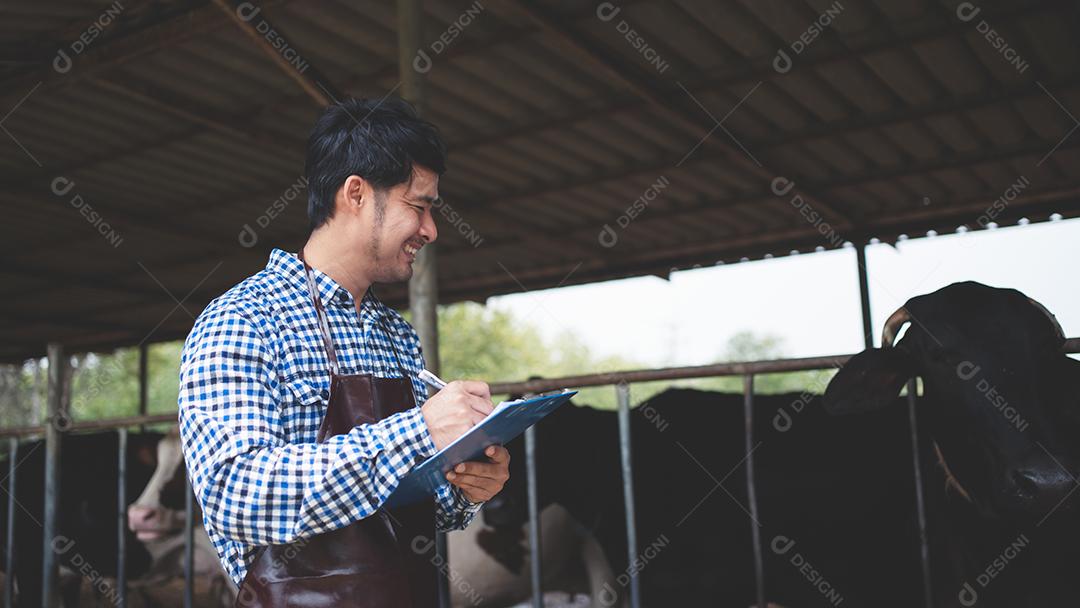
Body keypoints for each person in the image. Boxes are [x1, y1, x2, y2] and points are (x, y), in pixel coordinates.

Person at [178, 97, 509, 607]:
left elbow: (400, 504)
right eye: (417, 206)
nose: (431, 230)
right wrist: (419, 429)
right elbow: (234, 497)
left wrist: (464, 487)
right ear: (355, 193)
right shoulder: (242, 319)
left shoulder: (395, 335)